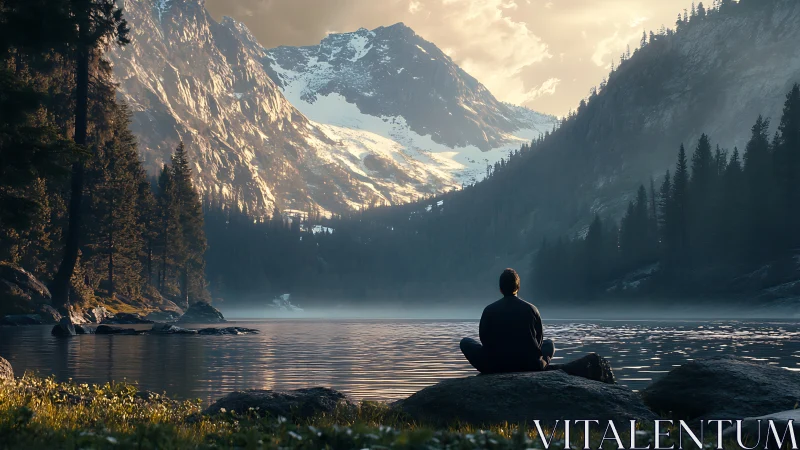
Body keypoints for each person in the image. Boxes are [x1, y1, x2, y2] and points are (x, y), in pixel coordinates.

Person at [460, 268, 555, 374]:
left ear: (500, 289)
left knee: (465, 342)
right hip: (529, 364)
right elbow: (539, 340)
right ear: (518, 288)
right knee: (549, 344)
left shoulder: (489, 310)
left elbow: (484, 339)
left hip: (495, 365)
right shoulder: (532, 309)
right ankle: (540, 365)